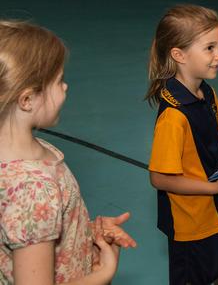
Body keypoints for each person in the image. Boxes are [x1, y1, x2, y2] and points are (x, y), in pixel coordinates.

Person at [0, 21, 137, 284]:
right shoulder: (34, 189)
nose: (66, 87)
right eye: (59, 80)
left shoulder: (27, 157)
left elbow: (23, 228)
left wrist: (83, 232)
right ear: (27, 99)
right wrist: (103, 273)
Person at [146, 4, 218, 285]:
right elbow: (159, 178)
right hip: (192, 223)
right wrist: (212, 187)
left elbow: (214, 141)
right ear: (179, 54)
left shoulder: (206, 92)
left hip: (217, 206)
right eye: (209, 48)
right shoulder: (173, 116)